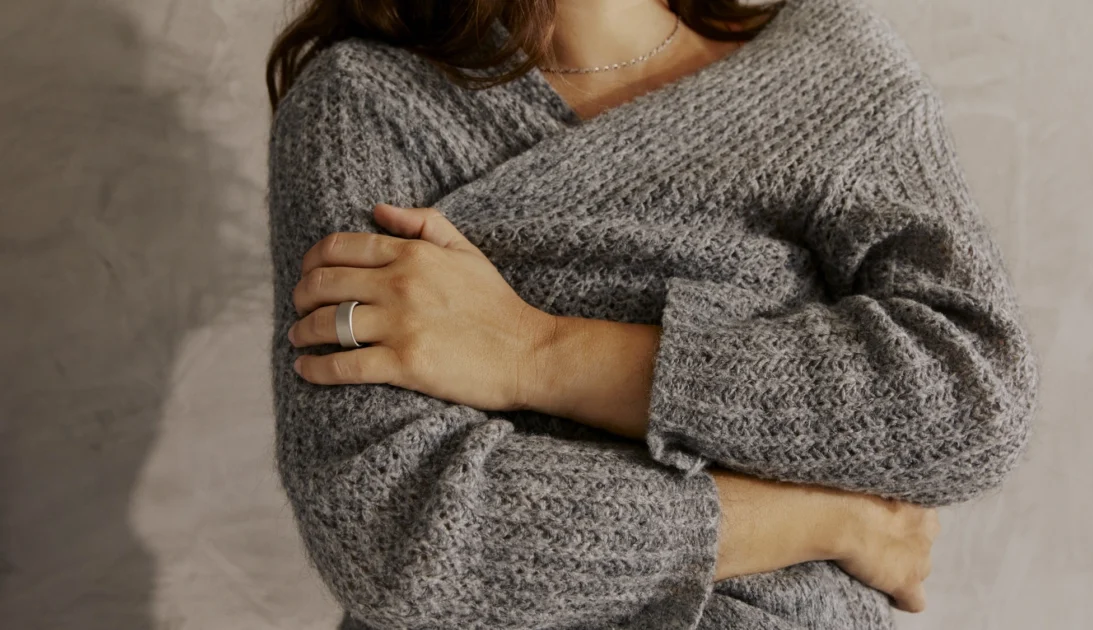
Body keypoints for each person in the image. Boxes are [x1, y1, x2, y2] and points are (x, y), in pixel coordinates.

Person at [265, 0, 1039, 628]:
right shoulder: (364, 106)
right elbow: (396, 537)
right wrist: (818, 519)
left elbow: (975, 396)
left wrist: (541, 352)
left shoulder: (827, 65)